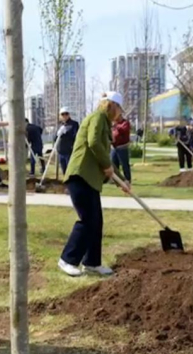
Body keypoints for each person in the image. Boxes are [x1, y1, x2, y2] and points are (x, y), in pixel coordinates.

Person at [58, 94, 128, 278]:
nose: (120, 114)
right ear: (112, 105)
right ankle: (67, 260)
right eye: (119, 109)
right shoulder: (97, 117)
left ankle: (92, 263)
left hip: (90, 180)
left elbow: (105, 157)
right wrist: (106, 166)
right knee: (88, 220)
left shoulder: (105, 123)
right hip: (80, 175)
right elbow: (94, 142)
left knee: (96, 222)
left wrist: (123, 181)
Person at [56, 106, 79, 174]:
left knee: (70, 170)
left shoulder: (74, 124)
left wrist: (66, 133)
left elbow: (76, 136)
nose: (64, 116)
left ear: (69, 114)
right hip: (60, 151)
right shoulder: (60, 125)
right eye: (62, 114)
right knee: (64, 170)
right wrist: (58, 134)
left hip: (69, 151)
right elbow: (55, 137)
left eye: (66, 114)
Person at [110, 110, 132, 183]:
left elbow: (123, 130)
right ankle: (115, 179)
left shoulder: (125, 123)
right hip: (114, 147)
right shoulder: (113, 125)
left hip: (122, 147)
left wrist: (116, 126)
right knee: (113, 164)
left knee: (124, 164)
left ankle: (127, 179)